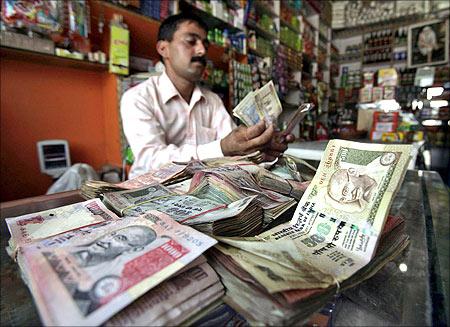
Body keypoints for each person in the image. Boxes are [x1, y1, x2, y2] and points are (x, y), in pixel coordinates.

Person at [121, 13, 294, 179]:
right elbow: (151, 160)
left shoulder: (212, 101)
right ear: (163, 48)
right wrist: (222, 147)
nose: (202, 50)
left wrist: (259, 148)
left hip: (202, 193)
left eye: (205, 44)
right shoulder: (138, 97)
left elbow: (234, 149)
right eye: (191, 41)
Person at [71, 225, 157, 267]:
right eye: (112, 233)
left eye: (120, 238)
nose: (107, 239)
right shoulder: (72, 246)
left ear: (134, 250)